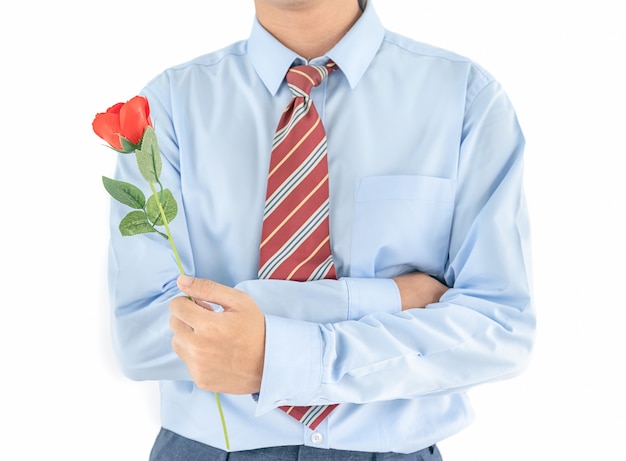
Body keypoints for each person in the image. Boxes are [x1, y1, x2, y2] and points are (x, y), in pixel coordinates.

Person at [107, 0, 535, 459]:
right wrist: (390, 299)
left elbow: (499, 328)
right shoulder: (169, 105)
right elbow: (141, 336)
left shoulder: (465, 97)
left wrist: (277, 354)